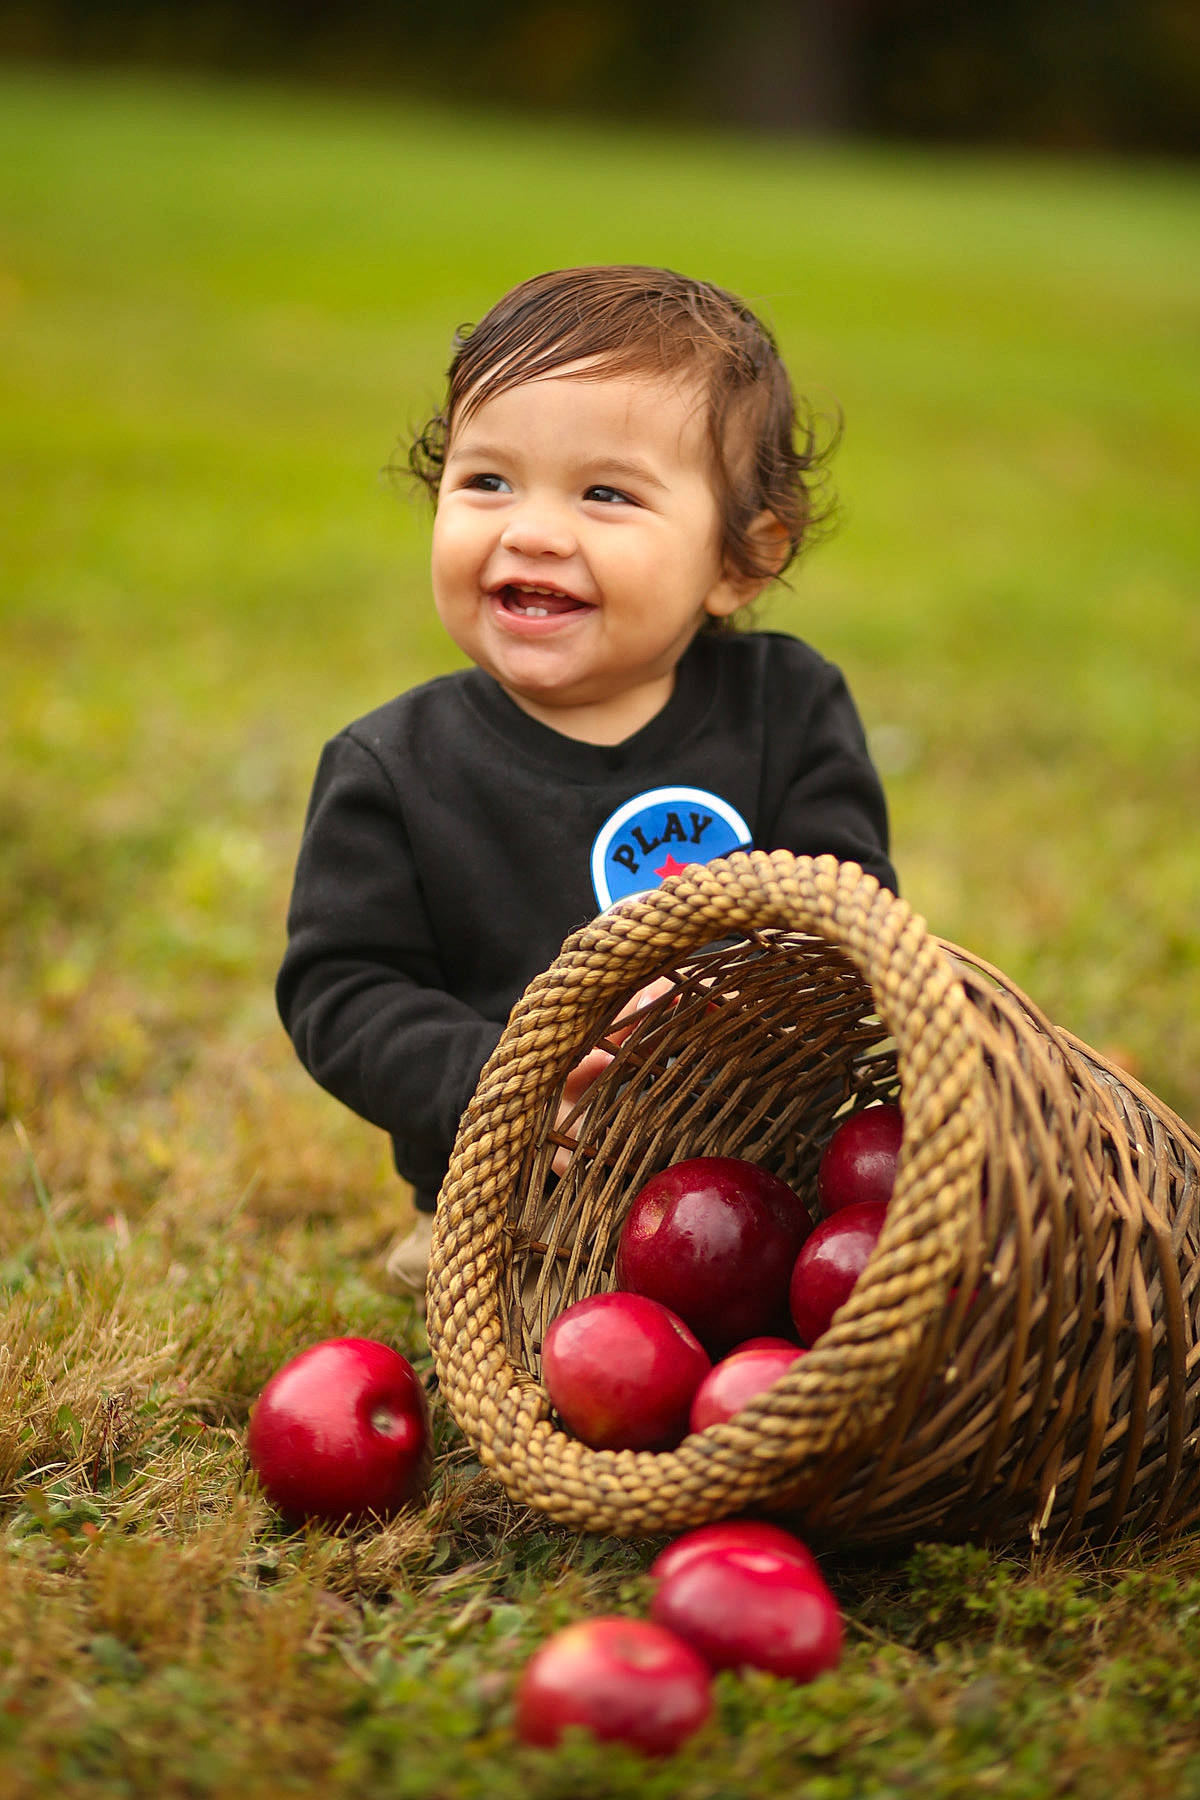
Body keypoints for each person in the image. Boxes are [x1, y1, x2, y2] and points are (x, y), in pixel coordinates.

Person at [276, 265, 896, 1292]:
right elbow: (341, 992)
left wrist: (726, 1009)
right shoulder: (394, 767)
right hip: (520, 1197)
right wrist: (505, 1082)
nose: (532, 530)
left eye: (605, 493)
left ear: (741, 560)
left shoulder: (786, 710)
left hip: (761, 1189)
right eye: (486, 481)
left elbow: (853, 916)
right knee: (557, 1340)